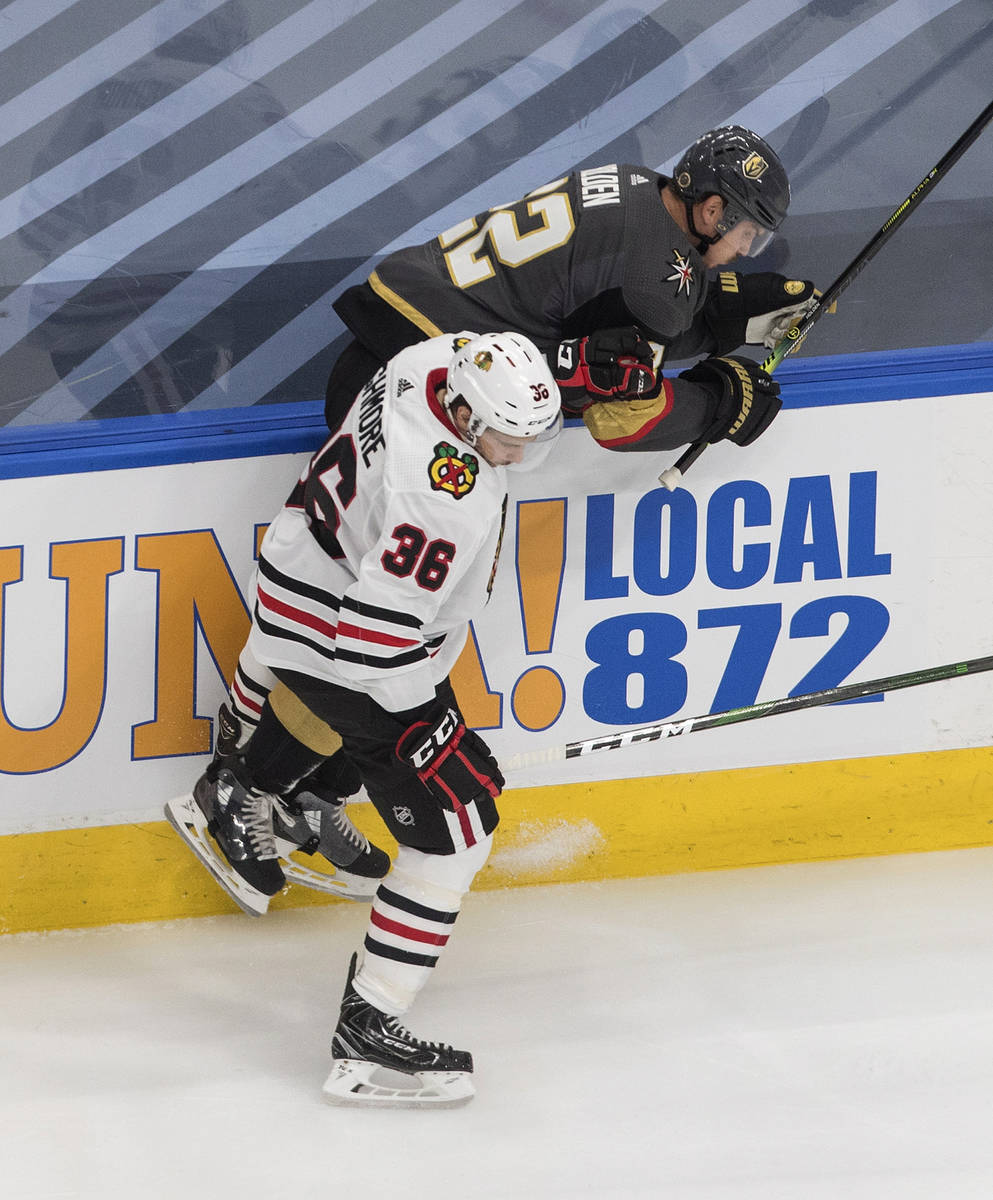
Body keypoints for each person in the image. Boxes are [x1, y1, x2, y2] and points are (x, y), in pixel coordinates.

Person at [166, 330, 562, 1106]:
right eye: (505, 440)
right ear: (466, 412)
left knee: (378, 748)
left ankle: (259, 791)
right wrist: (434, 735)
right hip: (339, 632)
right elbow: (370, 651)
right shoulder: (440, 497)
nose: (515, 456)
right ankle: (368, 1035)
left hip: (308, 561)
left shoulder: (433, 359)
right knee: (458, 827)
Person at [325, 124, 819, 455]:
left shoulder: (635, 179)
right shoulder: (654, 282)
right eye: (748, 235)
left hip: (393, 329)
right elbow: (622, 418)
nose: (744, 250)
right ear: (713, 212)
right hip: (423, 396)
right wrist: (718, 404)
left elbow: (600, 299)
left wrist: (720, 314)